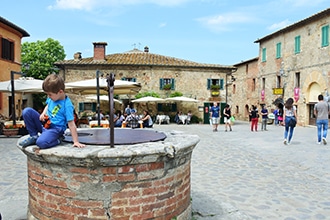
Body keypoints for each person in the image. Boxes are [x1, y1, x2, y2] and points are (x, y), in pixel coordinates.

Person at [19, 74, 85, 150]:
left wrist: (76, 141)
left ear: (60, 92)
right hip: (45, 123)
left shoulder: (67, 105)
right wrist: (43, 113)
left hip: (55, 129)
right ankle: (34, 136)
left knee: (41, 143)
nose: (48, 96)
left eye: (50, 94)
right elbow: (48, 105)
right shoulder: (52, 98)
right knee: (27, 111)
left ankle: (58, 140)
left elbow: (71, 124)